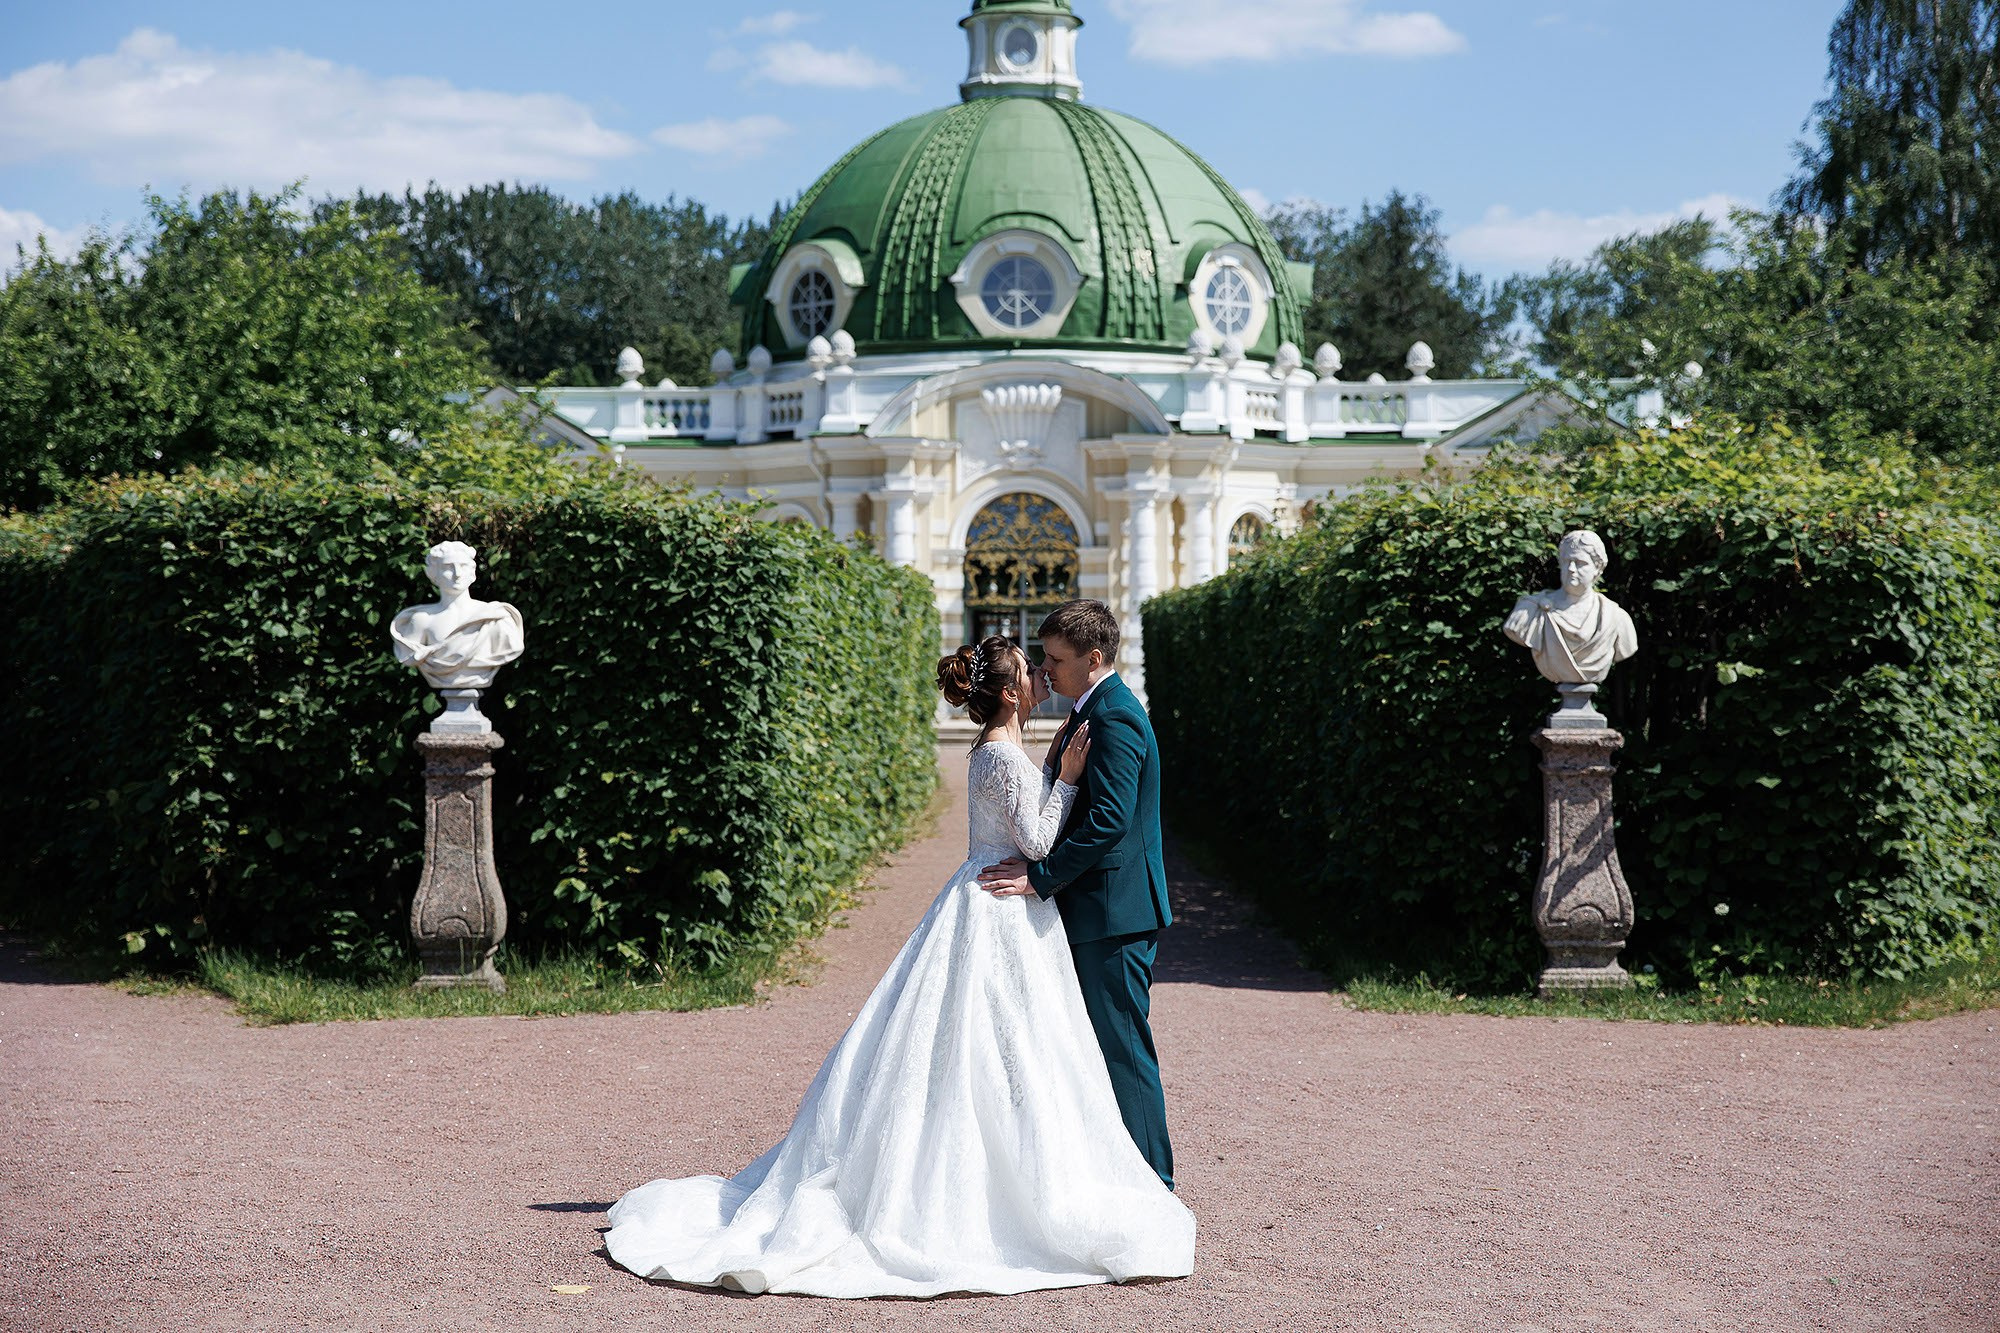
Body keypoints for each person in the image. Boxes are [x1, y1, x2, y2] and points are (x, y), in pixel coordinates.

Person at [603, 635, 1195, 1298]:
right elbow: (1034, 840)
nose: (1038, 679)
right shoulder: (1002, 754)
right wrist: (1066, 780)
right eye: (1030, 672)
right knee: (1005, 1045)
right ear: (1007, 692)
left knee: (995, 1046)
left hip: (989, 900)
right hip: (1001, 906)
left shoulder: (998, 748)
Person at [977, 599, 1176, 1191]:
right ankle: (1119, 1179)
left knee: (1123, 1051)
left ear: (1093, 658)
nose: (1046, 669)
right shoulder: (1092, 708)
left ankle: (1155, 1186)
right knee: (1097, 1048)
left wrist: (1039, 879)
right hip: (1099, 907)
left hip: (1114, 913)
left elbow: (1109, 819)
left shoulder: (1112, 716)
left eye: (1056, 659)